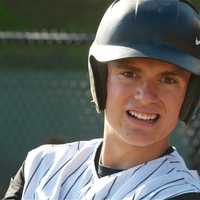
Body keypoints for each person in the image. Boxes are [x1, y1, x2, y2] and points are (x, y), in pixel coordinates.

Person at [4, 0, 200, 199]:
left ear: (189, 96)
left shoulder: (181, 193)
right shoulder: (42, 165)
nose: (146, 96)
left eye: (168, 80)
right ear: (100, 79)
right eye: (129, 74)